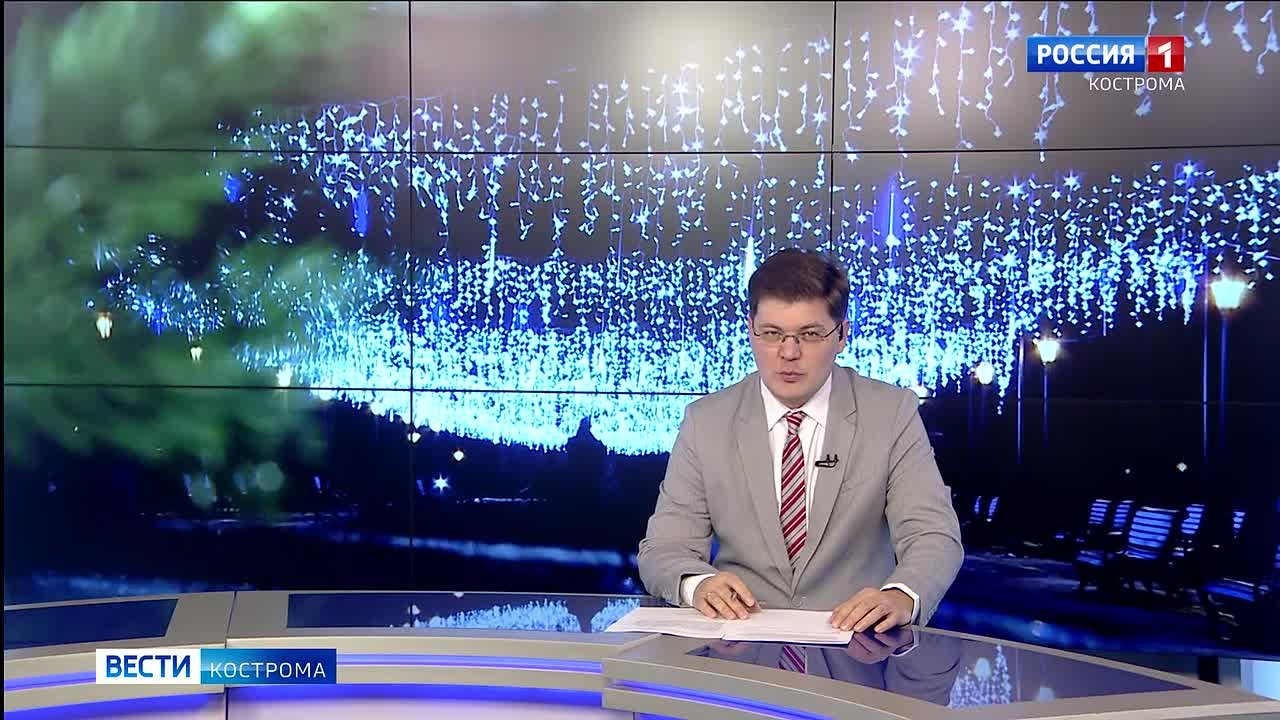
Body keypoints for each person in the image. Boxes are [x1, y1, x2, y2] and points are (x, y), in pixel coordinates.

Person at [637, 249, 963, 632]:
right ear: (750, 330)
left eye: (809, 334)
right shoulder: (706, 421)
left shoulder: (890, 413)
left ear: (841, 335)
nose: (788, 353)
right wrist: (698, 585)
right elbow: (664, 550)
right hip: (738, 650)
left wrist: (901, 595)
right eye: (772, 333)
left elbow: (933, 535)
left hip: (859, 648)